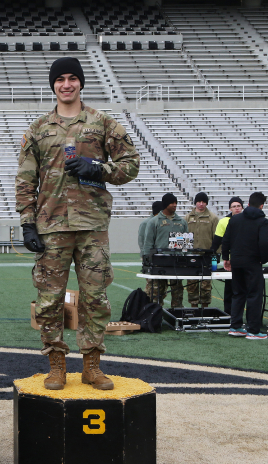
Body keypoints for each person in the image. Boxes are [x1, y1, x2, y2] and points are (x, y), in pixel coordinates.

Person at [15, 57, 139, 390]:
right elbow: (25, 180)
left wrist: (98, 169)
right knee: (49, 301)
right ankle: (56, 365)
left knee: (95, 298)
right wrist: (28, 223)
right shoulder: (38, 129)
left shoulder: (102, 124)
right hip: (51, 226)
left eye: (72, 78)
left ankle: (92, 365)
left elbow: (130, 165)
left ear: (81, 83)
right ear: (53, 85)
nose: (66, 84)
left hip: (92, 226)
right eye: (60, 79)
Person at [222, 192, 268, 339]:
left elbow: (226, 239)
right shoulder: (263, 221)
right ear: (262, 206)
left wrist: (225, 257)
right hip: (253, 261)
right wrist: (263, 259)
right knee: (254, 294)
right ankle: (253, 330)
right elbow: (264, 243)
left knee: (238, 293)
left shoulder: (235, 219)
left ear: (247, 204)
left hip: (236, 260)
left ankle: (235, 326)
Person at [140, 193, 188, 308]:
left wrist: (185, 258)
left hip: (176, 262)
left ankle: (176, 314)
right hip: (159, 262)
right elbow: (148, 243)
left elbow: (186, 245)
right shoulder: (154, 222)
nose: (175, 205)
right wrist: (147, 262)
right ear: (166, 204)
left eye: (176, 203)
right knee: (156, 292)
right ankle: (155, 315)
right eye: (172, 203)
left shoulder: (182, 222)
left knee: (177, 291)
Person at [185, 192, 219, 308]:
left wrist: (216, 254)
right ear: (195, 203)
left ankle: (205, 308)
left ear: (206, 203)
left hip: (206, 256)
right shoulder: (188, 217)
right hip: (191, 255)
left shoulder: (213, 218)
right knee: (192, 283)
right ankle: (193, 308)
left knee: (206, 285)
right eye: (199, 202)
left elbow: (217, 237)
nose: (201, 204)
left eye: (203, 202)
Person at [212, 196, 244, 314]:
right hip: (230, 260)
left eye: (238, 206)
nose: (236, 208)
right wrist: (211, 254)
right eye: (234, 206)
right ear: (230, 208)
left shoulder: (247, 220)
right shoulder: (224, 221)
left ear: (242, 207)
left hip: (244, 260)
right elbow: (217, 241)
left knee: (242, 289)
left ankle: (239, 315)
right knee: (229, 288)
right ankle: (228, 313)